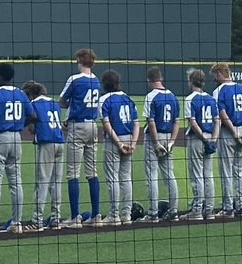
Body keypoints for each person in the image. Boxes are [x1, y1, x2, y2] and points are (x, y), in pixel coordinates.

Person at [0, 62, 31, 235]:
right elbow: (32, 115)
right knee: (15, 181)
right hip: (16, 138)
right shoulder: (21, 93)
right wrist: (18, 125)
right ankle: (17, 223)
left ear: (1, 77)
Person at [60, 48, 102, 226]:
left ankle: (75, 216)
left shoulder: (75, 79)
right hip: (93, 125)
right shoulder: (97, 80)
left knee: (72, 173)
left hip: (77, 126)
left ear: (80, 61)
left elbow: (62, 101)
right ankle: (96, 215)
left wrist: (72, 105)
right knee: (92, 172)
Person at [99, 70, 140, 225]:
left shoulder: (104, 100)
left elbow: (107, 124)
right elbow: (136, 123)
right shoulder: (127, 98)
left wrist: (118, 143)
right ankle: (126, 214)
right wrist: (133, 143)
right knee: (125, 177)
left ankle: (114, 215)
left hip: (114, 141)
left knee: (113, 178)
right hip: (129, 138)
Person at [22, 81, 64, 231]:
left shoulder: (33, 103)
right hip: (60, 142)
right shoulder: (54, 103)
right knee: (56, 183)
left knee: (42, 182)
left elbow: (31, 123)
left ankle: (37, 221)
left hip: (46, 144)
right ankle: (56, 218)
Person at [141, 66, 180, 222]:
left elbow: (150, 122)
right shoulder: (172, 96)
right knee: (169, 174)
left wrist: (156, 142)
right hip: (169, 135)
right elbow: (177, 122)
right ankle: (174, 210)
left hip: (154, 138)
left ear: (149, 80)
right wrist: (171, 142)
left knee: (152, 175)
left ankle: (153, 213)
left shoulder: (151, 96)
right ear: (161, 78)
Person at [212, 62, 242, 216]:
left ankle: (228, 207)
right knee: (239, 171)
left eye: (214, 75)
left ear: (220, 74)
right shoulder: (241, 88)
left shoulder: (219, 90)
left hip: (229, 132)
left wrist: (234, 131)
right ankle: (241, 206)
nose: (214, 78)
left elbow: (221, 114)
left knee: (226, 171)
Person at [184, 69, 219, 220]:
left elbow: (193, 122)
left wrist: (204, 140)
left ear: (191, 82)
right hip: (210, 137)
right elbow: (217, 120)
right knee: (208, 175)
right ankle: (209, 210)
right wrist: (213, 139)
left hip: (197, 139)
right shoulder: (211, 98)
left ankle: (197, 210)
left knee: (197, 175)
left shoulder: (190, 99)